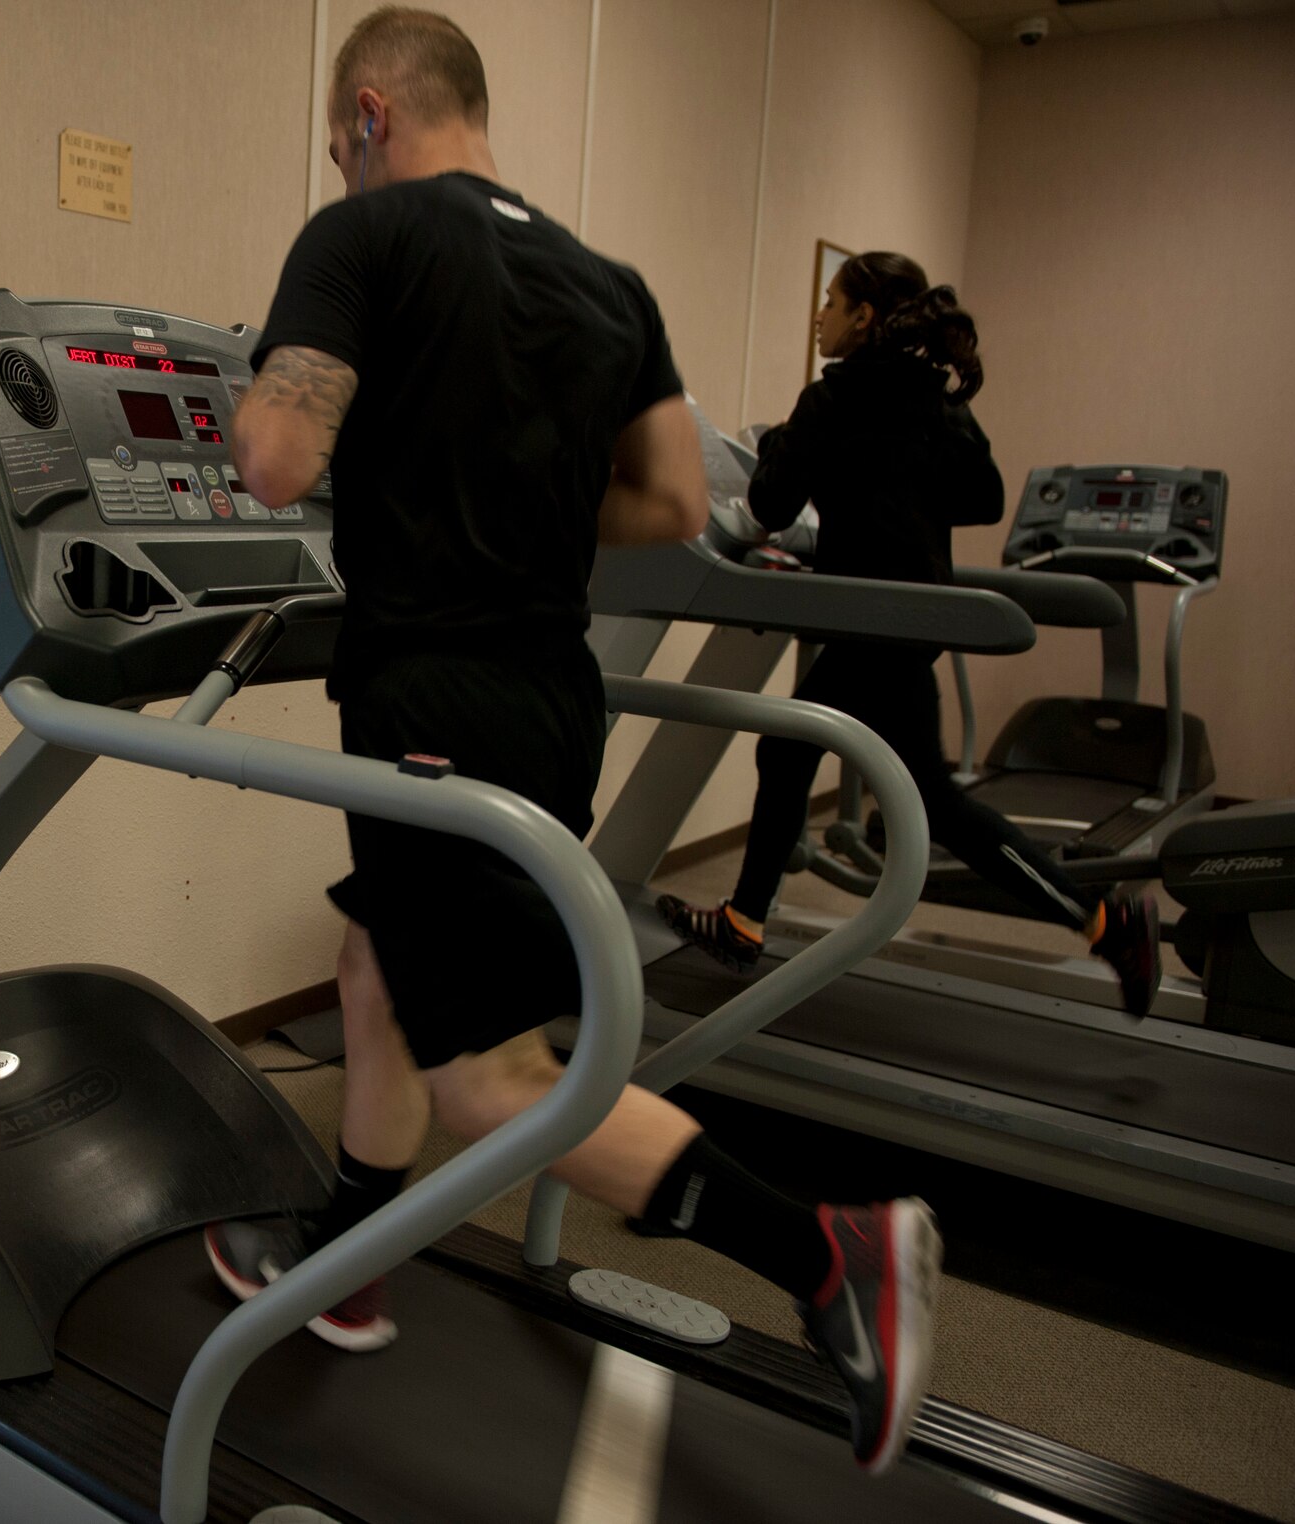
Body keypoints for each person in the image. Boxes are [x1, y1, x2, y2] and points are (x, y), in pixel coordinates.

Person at [202, 7, 941, 1474]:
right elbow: (672, 498)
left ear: (368, 111)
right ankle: (352, 1256)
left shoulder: (366, 238)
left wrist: (280, 428)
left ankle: (825, 1251)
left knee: (492, 1075)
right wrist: (528, 511)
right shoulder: (610, 284)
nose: (346, 166)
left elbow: (280, 456)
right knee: (378, 961)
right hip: (551, 693)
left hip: (426, 698)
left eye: (342, 145)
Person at [657, 252, 1162, 1017]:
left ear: (863, 317)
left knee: (905, 791)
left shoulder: (835, 397)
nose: (819, 315)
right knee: (808, 755)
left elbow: (765, 500)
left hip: (870, 622)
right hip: (909, 618)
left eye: (830, 301)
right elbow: (983, 497)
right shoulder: (935, 398)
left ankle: (1102, 921)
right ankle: (743, 921)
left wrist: (814, 461)